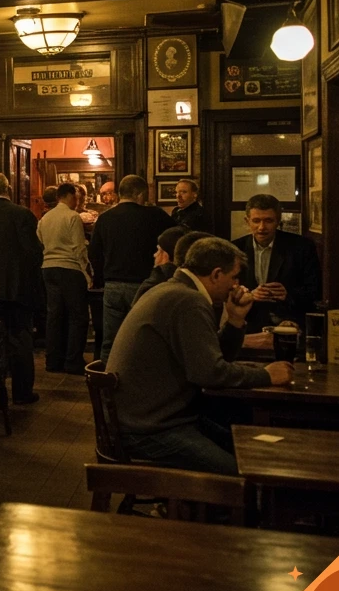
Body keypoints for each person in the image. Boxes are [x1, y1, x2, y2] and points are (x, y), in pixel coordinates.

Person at [108, 237, 293, 474]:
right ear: (216, 274)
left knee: (247, 448)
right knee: (244, 472)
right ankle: (203, 506)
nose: (236, 284)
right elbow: (209, 373)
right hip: (150, 430)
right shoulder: (188, 300)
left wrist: (235, 319)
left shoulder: (174, 289)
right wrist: (266, 376)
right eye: (233, 276)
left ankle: (192, 508)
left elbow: (214, 359)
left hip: (154, 418)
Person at [88, 174, 176, 361]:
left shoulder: (105, 218)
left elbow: (94, 253)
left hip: (113, 285)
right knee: (144, 339)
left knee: (110, 340)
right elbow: (177, 239)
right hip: (145, 284)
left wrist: (102, 278)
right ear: (140, 194)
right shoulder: (155, 215)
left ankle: (105, 382)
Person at [0, 172, 43, 404]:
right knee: (20, 341)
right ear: (9, 188)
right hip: (18, 288)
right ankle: (22, 393)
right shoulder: (22, 214)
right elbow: (34, 253)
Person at [232, 193, 322, 332]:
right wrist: (250, 295)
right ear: (247, 221)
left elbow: (315, 290)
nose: (262, 227)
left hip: (290, 322)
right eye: (256, 221)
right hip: (249, 323)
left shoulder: (301, 247)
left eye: (268, 221)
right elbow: (228, 289)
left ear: (278, 221)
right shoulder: (236, 249)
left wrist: (288, 295)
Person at [38, 182, 90, 374]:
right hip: (69, 268)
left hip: (48, 268)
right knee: (78, 317)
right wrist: (86, 272)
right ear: (68, 195)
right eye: (76, 196)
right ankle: (73, 360)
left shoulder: (45, 218)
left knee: (54, 316)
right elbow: (78, 247)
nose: (77, 200)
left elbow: (40, 241)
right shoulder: (72, 216)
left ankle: (53, 361)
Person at [131, 225, 187, 305]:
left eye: (159, 250)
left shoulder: (154, 282)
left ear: (166, 255)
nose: (155, 255)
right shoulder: (191, 281)